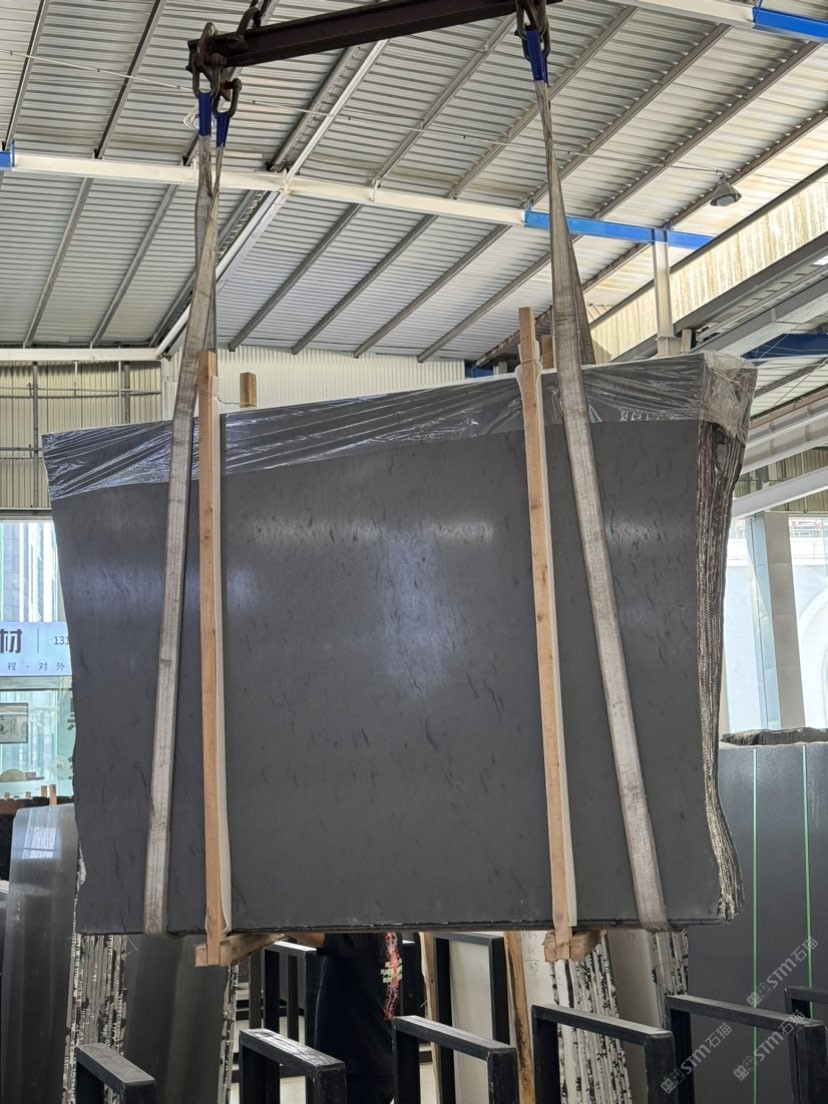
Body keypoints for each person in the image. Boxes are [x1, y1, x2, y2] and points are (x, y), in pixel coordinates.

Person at [289, 931, 402, 1104]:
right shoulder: (388, 930)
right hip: (376, 1058)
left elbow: (311, 934)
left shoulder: (360, 931)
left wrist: (268, 923)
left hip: (357, 1065)